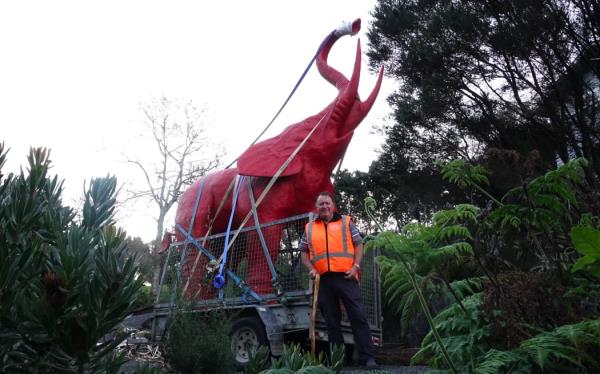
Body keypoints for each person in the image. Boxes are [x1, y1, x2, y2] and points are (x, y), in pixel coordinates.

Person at [299, 191, 377, 367]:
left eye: (327, 203)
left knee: (358, 316)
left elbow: (359, 244)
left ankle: (368, 358)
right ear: (317, 208)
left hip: (346, 277)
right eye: (321, 204)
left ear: (333, 205)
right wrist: (311, 269)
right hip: (324, 281)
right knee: (332, 321)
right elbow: (303, 252)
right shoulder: (309, 228)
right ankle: (338, 360)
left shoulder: (346, 222)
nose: (324, 207)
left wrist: (356, 266)